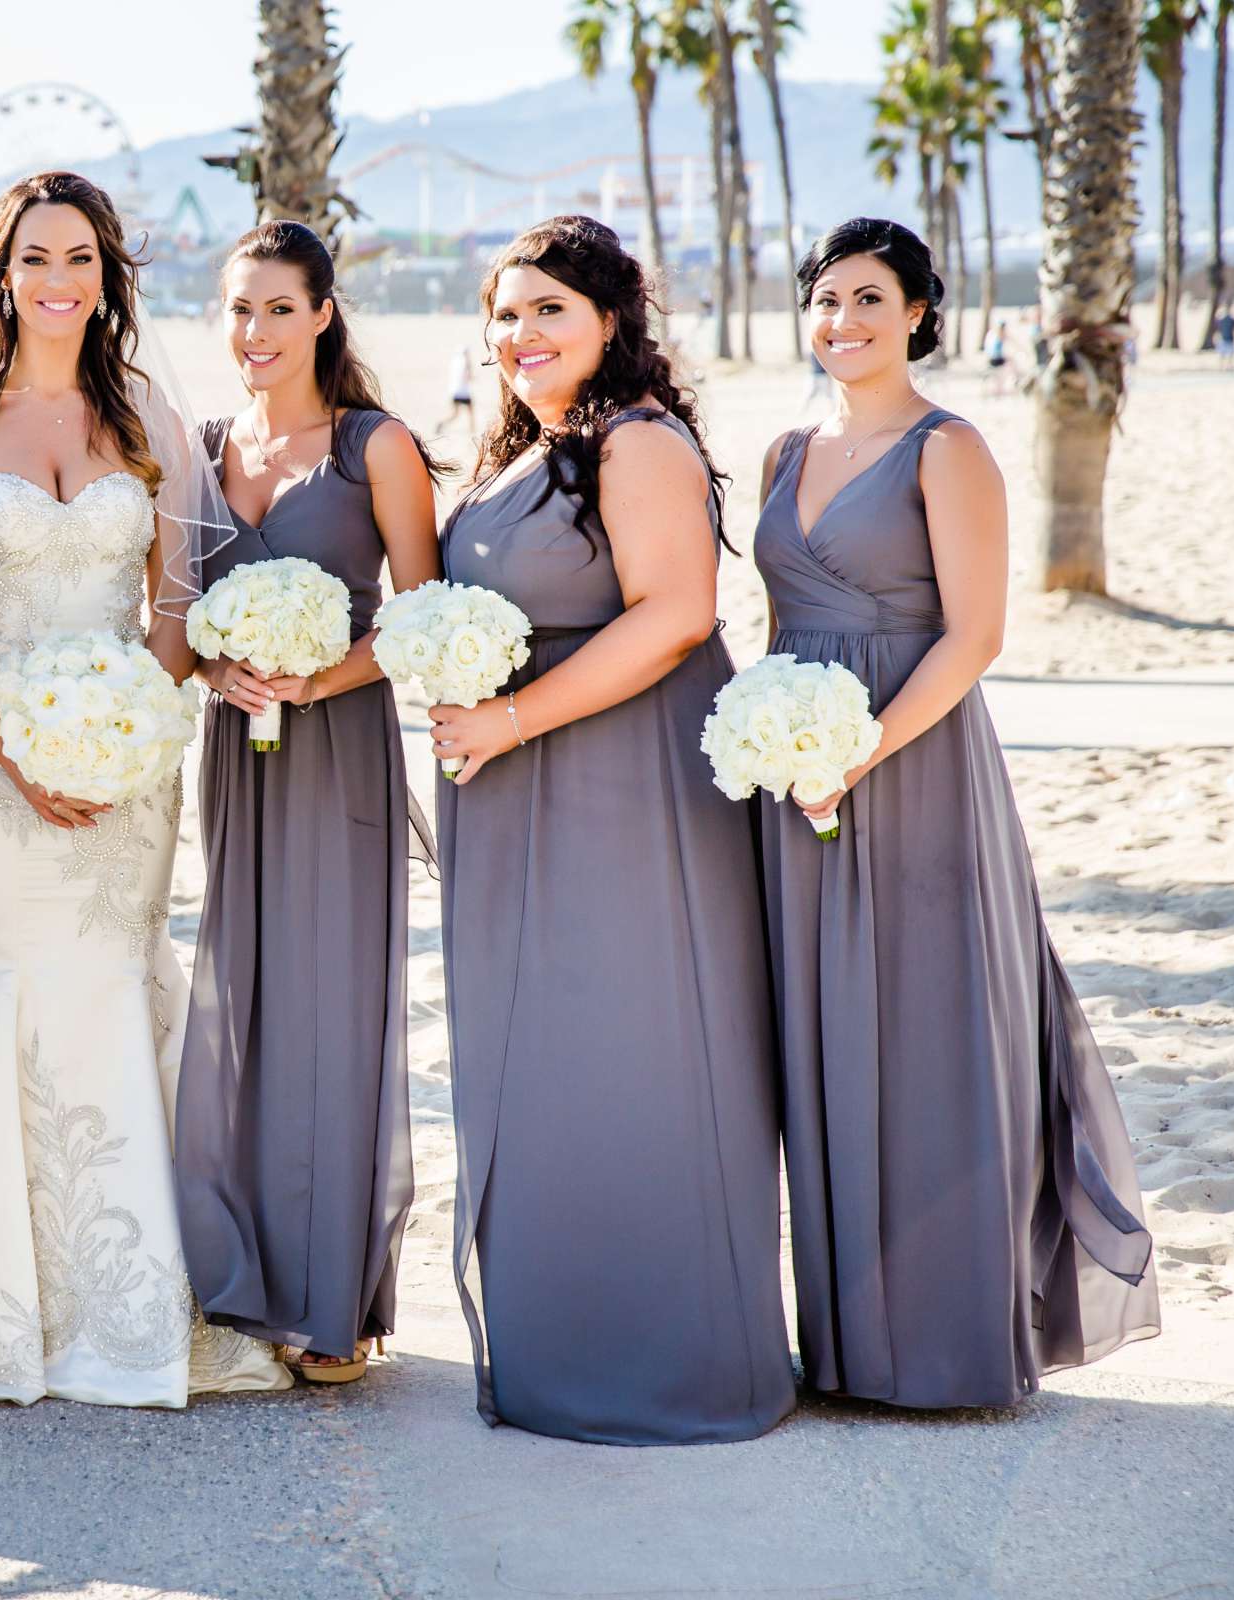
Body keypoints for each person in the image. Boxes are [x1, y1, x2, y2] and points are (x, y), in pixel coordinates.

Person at [0, 170, 292, 1408]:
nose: (56, 280)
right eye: (33, 259)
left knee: (119, 982)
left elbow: (175, 600)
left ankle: (139, 1303)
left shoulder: (146, 420)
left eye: (78, 258)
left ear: (108, 273)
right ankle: (6, 1314)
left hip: (129, 765)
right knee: (6, 982)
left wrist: (132, 732)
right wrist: (19, 747)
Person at [758, 218, 1158, 1410]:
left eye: (871, 299)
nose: (844, 321)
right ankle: (842, 1346)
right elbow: (779, 624)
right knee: (821, 1041)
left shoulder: (949, 448)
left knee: (924, 1038)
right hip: (799, 780)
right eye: (825, 300)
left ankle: (935, 1346)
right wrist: (777, 743)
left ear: (922, 313)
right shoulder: (783, 448)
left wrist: (857, 753)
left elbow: (975, 636)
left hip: (915, 765)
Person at [428, 216, 794, 1444]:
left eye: (548, 311)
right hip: (521, 787)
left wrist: (513, 715)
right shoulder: (518, 450)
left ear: (610, 321)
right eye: (506, 313)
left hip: (628, 792)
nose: (520, 334)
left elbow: (679, 615)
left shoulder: (636, 443)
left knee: (640, 1050)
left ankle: (668, 1366)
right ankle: (561, 1348)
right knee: (546, 1061)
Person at [176, 220, 440, 1385]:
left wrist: (317, 675)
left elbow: (426, 616)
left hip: (340, 746)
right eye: (238, 310)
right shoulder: (198, 447)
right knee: (249, 1000)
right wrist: (211, 662)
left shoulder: (375, 446)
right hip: (236, 751)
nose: (256, 332)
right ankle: (254, 1279)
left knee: (335, 1006)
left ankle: (337, 1303)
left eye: (279, 308)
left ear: (324, 313)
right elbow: (173, 608)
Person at [434, 345, 476, 437]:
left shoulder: (454, 362)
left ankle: (441, 424)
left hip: (454, 391)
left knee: (454, 414)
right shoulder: (466, 363)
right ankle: (472, 431)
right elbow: (468, 376)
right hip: (463, 392)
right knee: (470, 411)